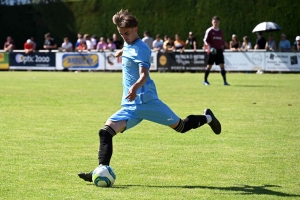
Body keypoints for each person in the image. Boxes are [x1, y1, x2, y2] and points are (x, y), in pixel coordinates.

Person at [78, 9, 222, 183]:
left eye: (127, 33)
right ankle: (101, 170)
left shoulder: (142, 49)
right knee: (105, 132)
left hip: (147, 102)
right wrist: (121, 52)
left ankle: (207, 118)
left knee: (181, 127)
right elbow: (128, 48)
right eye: (121, 34)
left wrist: (134, 88)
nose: (124, 36)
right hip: (130, 106)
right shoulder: (129, 44)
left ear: (136, 29)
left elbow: (143, 75)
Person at [203, 16, 229, 86]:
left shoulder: (220, 31)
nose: (215, 23)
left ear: (219, 22)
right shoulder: (209, 30)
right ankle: (205, 80)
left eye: (217, 22)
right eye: (214, 22)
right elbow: (205, 40)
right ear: (212, 22)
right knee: (209, 66)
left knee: (222, 66)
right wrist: (210, 47)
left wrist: (223, 46)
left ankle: (225, 81)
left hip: (219, 50)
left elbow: (222, 40)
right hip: (212, 51)